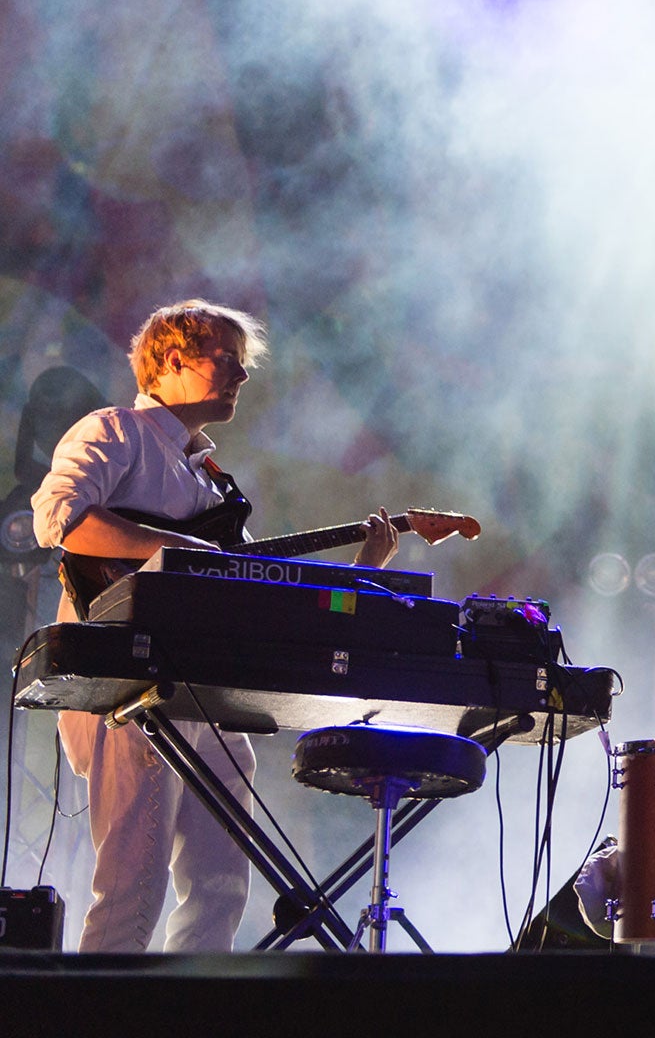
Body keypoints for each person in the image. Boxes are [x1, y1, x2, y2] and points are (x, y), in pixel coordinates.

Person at [30, 299, 398, 953]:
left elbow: (260, 590)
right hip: (134, 691)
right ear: (174, 358)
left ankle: (188, 1015)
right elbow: (59, 517)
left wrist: (365, 569)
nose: (244, 376)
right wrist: (166, 552)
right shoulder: (116, 432)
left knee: (221, 891)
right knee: (131, 892)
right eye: (228, 360)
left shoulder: (211, 479)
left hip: (212, 694)